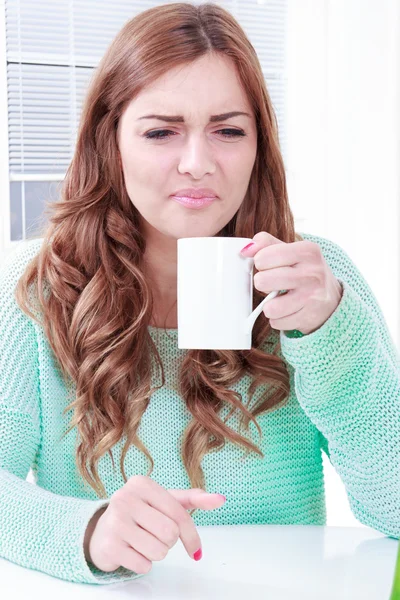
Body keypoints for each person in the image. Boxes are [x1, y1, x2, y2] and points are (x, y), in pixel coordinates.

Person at [0, 1, 399, 587]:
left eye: (228, 130)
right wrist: (84, 531)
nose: (197, 163)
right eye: (161, 131)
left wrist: (329, 334)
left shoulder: (318, 277)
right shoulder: (30, 286)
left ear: (259, 144)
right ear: (110, 142)